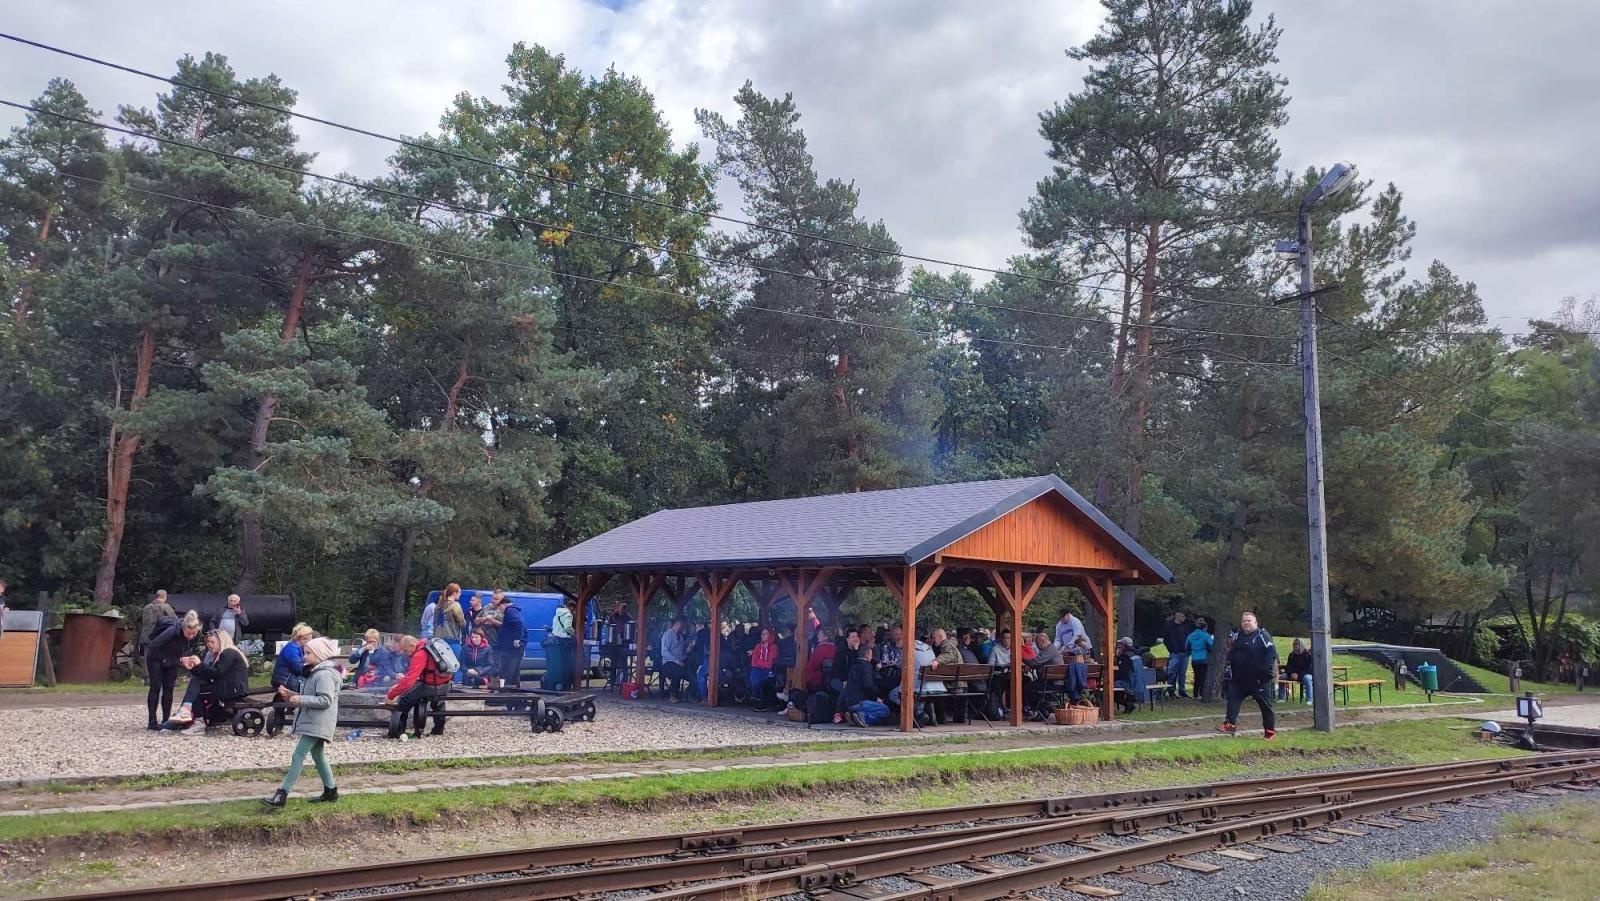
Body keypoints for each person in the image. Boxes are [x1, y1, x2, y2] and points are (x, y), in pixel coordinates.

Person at [262, 636, 342, 808]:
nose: (304, 656)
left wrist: (300, 699)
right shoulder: (315, 673)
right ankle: (331, 791)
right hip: (315, 721)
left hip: (318, 722)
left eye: (308, 653)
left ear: (320, 654)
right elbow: (312, 696)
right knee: (317, 755)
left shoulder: (325, 675)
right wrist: (291, 694)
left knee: (298, 755)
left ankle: (282, 794)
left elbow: (325, 700)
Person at [168, 628, 250, 733]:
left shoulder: (228, 652)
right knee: (197, 682)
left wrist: (200, 664)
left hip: (232, 689)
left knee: (198, 691)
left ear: (221, 641)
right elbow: (208, 675)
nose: (209, 645)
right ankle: (185, 712)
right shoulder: (218, 655)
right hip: (227, 687)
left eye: (212, 642)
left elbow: (217, 673)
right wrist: (192, 668)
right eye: (208, 642)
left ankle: (193, 718)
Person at [1218, 612, 1279, 739]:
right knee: (1232, 699)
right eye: (1244, 621)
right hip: (1240, 678)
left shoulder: (1262, 635)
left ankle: (1269, 732)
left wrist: (1265, 672)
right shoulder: (1238, 636)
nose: (1246, 623)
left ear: (1255, 623)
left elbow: (1271, 653)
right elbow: (1232, 652)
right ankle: (1230, 723)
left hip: (1259, 680)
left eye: (1249, 621)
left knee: (1265, 706)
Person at [144, 610, 202, 730]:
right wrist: (168, 660)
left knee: (169, 688)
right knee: (155, 687)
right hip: (156, 658)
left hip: (173, 658)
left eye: (194, 634)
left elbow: (188, 648)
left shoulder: (197, 634)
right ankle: (152, 722)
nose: (191, 636)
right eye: (188, 633)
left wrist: (181, 659)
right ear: (183, 628)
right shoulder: (171, 632)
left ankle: (166, 720)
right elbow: (152, 647)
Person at [387, 635, 453, 738]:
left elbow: (409, 681)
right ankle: (438, 730)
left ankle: (398, 730)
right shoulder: (428, 645)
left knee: (404, 699)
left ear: (412, 645)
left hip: (431, 686)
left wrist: (391, 694)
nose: (404, 654)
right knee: (438, 704)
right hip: (445, 685)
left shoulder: (420, 654)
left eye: (405, 650)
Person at [841, 644, 888, 726]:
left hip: (849, 702)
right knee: (885, 710)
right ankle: (864, 717)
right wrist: (876, 699)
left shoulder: (853, 666)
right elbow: (868, 686)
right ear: (867, 655)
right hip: (860, 702)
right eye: (871, 655)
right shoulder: (866, 667)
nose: (872, 658)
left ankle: (853, 716)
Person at [491, 593, 525, 688]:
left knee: (507, 671)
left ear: (503, 604)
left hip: (511, 647)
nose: (500, 610)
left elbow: (518, 624)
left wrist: (516, 639)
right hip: (514, 647)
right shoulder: (515, 611)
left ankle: (506, 692)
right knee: (515, 672)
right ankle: (516, 693)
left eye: (499, 608)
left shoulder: (510, 611)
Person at [434, 585, 467, 682]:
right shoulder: (455, 605)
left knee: (441, 665)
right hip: (452, 639)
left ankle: (441, 683)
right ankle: (456, 685)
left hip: (438, 640)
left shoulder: (439, 605)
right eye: (459, 592)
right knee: (456, 664)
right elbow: (462, 622)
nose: (460, 594)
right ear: (454, 593)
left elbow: (434, 623)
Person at [271, 623, 315, 694]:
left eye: (311, 638)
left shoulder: (300, 648)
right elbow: (299, 669)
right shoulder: (291, 648)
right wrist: (314, 667)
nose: (311, 641)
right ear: (300, 639)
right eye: (308, 639)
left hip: (290, 680)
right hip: (284, 682)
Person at [659, 616, 691, 702]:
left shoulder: (680, 636)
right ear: (679, 623)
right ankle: (672, 695)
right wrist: (677, 661)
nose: (685, 627)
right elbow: (664, 652)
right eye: (684, 625)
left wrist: (687, 653)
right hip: (668, 663)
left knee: (690, 673)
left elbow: (680, 653)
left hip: (679, 662)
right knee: (677, 671)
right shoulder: (667, 635)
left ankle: (691, 692)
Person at [1114, 637, 1148, 714]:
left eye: (1120, 644)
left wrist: (1118, 657)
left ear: (1124, 646)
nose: (1119, 646)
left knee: (1109, 688)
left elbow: (1122, 672)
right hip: (1138, 682)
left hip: (1129, 683)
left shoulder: (1125, 657)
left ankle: (1128, 705)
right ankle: (1129, 706)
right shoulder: (1136, 655)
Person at [1162, 612, 1192, 698]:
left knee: (1182, 673)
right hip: (1175, 653)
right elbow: (1166, 639)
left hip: (1185, 653)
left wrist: (1188, 649)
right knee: (1173, 672)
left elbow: (1188, 639)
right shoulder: (1170, 627)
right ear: (1177, 617)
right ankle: (1171, 690)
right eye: (1183, 616)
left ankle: (1182, 691)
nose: (1184, 618)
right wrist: (1171, 649)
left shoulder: (1185, 627)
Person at [748, 627, 779, 710]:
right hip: (758, 669)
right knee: (753, 677)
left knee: (762, 680)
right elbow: (753, 662)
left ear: (770, 635)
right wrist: (762, 663)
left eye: (765, 634)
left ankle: (762, 701)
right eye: (762, 634)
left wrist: (760, 662)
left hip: (768, 670)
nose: (763, 636)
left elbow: (770, 664)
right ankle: (758, 699)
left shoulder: (773, 647)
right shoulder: (758, 646)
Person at [1187, 617, 1215, 697]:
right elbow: (1211, 646)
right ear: (1204, 627)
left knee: (1197, 677)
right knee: (1203, 677)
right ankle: (1202, 694)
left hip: (1195, 659)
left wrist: (1190, 653)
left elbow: (1187, 647)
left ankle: (1195, 694)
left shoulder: (1190, 636)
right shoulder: (1206, 636)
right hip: (1204, 659)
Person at [804, 626, 837, 693]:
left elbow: (812, 665)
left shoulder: (821, 648)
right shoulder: (835, 648)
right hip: (832, 682)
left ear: (826, 637)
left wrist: (806, 677)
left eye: (819, 634)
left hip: (818, 682)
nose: (817, 636)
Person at [1282, 638, 1313, 704]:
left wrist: (1298, 675)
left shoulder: (1307, 654)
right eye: (1294, 644)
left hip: (1305, 674)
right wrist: (1291, 673)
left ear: (1301, 645)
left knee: (1307, 678)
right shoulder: (1292, 655)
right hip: (1293, 674)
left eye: (1297, 644)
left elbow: (1310, 668)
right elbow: (1289, 666)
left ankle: (1309, 699)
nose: (1295, 646)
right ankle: (1281, 698)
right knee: (1282, 676)